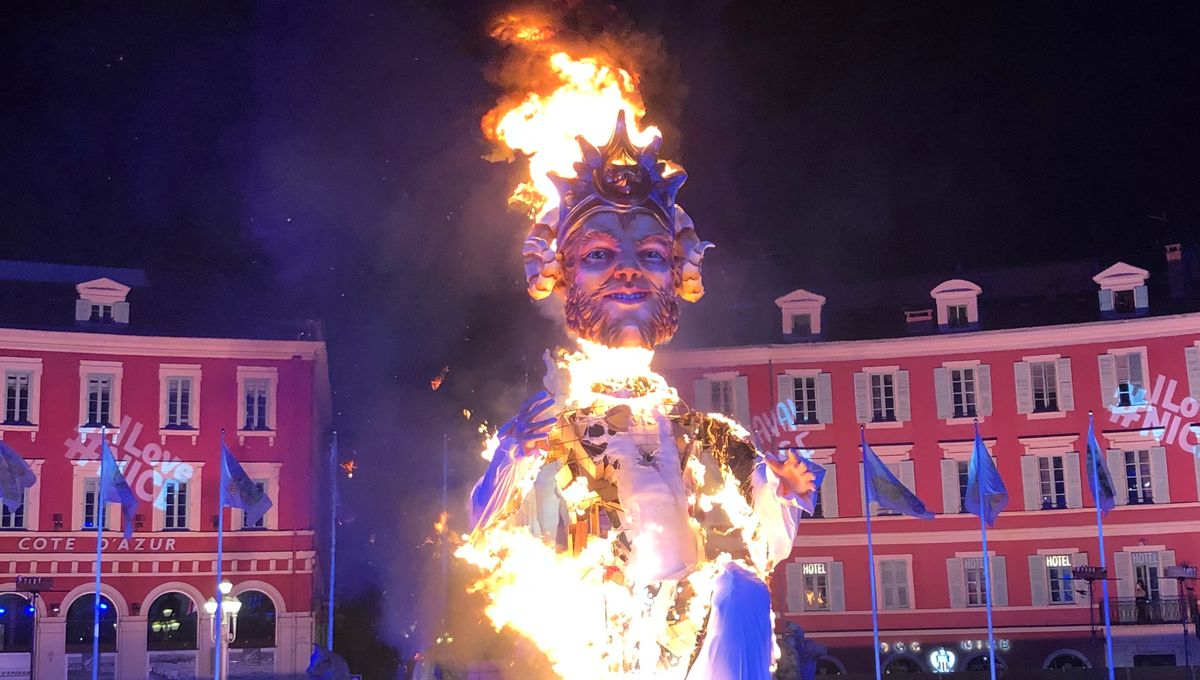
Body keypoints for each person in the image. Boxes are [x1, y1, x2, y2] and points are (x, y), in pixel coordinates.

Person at [464, 113, 818, 679]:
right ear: (562, 274)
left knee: (743, 591)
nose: (628, 270)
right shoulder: (551, 427)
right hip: (592, 634)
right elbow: (485, 532)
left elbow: (767, 544)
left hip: (683, 631)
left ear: (677, 274)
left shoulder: (711, 434)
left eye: (651, 254)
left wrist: (784, 490)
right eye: (599, 254)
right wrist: (510, 459)